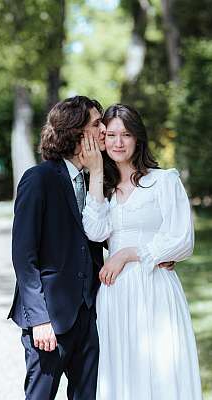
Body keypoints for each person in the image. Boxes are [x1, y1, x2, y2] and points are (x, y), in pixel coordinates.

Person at [80, 104, 203, 400]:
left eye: (126, 135)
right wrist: (96, 172)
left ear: (138, 139)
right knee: (123, 369)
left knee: (161, 365)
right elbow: (95, 232)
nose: (118, 143)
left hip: (155, 288)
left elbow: (182, 239)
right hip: (116, 293)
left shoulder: (163, 181)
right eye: (110, 135)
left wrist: (128, 253)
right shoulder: (101, 188)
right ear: (102, 140)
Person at [7, 95, 108, 400]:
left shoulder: (95, 179)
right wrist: (39, 320)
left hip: (86, 316)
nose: (104, 130)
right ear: (77, 132)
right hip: (49, 320)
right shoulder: (39, 179)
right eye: (97, 124)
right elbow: (24, 257)